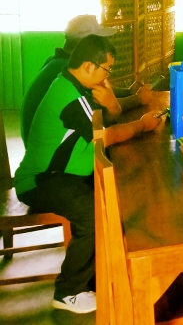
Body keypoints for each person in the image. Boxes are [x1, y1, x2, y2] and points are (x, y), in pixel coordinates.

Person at [14, 35, 162, 314]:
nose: (108, 75)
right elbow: (105, 135)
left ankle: (97, 274)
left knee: (112, 197)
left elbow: (105, 119)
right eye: (107, 69)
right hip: (41, 180)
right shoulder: (69, 95)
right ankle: (68, 292)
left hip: (64, 173)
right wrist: (142, 126)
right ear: (88, 66)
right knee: (93, 214)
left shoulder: (74, 85)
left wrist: (113, 103)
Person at [20, 15, 153, 145]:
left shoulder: (59, 63)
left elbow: (100, 92)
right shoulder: (68, 77)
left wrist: (128, 92)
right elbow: (103, 126)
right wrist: (137, 102)